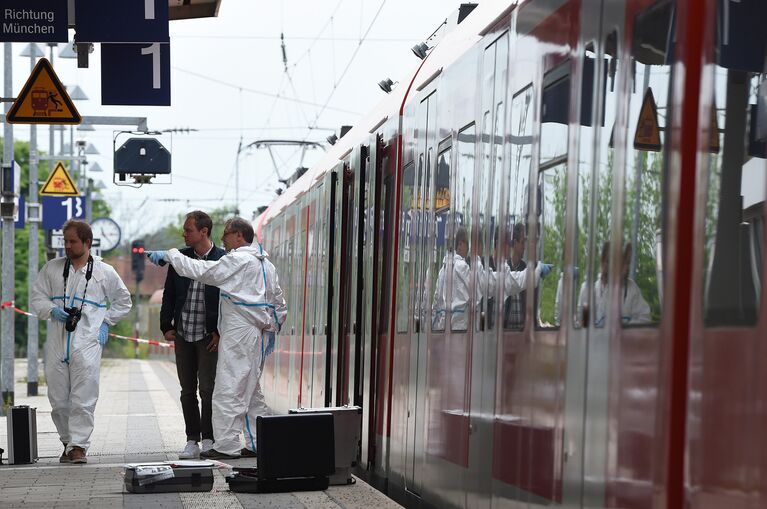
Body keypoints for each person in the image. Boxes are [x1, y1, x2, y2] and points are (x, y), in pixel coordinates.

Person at [146, 217, 287, 459]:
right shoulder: (266, 265)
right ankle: (256, 443)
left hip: (239, 331)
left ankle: (226, 446)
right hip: (257, 334)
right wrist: (269, 326)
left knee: (228, 388)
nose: (222, 240)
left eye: (227, 235)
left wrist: (171, 255)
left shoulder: (239, 260)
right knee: (251, 391)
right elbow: (279, 304)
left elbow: (203, 271)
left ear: (240, 237)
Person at [30, 220, 132, 464]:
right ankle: (66, 442)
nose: (67, 246)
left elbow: (123, 301)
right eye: (65, 241)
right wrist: (52, 310)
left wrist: (106, 321)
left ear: (87, 243)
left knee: (83, 396)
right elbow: (37, 297)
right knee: (57, 398)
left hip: (87, 340)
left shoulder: (104, 272)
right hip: (57, 339)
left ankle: (79, 446)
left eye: (72, 241)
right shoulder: (52, 269)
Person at [160, 211, 226, 459]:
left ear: (203, 232)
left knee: (208, 389)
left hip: (209, 336)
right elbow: (169, 294)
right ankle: (192, 439)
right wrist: (166, 325)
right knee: (187, 389)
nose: (184, 234)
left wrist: (220, 332)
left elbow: (228, 301)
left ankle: (209, 438)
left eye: (188, 230)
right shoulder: (181, 258)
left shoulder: (223, 259)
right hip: (184, 334)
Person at [580, 242, 651, 327]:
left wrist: (625, 328)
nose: (627, 268)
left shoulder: (632, 288)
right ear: (602, 263)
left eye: (627, 263)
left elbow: (645, 319)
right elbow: (583, 325)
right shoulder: (588, 290)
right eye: (608, 261)